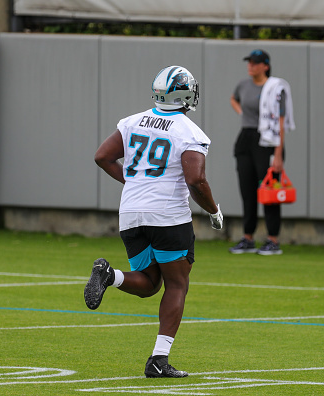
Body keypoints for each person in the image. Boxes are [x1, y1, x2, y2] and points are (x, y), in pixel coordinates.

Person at [85, 65, 223, 378]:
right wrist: (213, 210)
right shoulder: (189, 132)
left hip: (131, 213)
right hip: (168, 216)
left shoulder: (132, 121)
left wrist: (136, 184)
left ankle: (111, 276)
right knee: (176, 283)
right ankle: (159, 360)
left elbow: (102, 156)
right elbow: (196, 180)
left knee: (148, 283)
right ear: (185, 94)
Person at [229, 49, 295, 255]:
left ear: (265, 66)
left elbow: (281, 122)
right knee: (247, 191)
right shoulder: (243, 84)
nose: (251, 66)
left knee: (269, 193)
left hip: (267, 141)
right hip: (246, 139)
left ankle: (272, 239)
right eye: (249, 62)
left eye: (255, 63)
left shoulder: (276, 88)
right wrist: (242, 114)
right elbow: (234, 99)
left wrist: (278, 153)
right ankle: (248, 238)